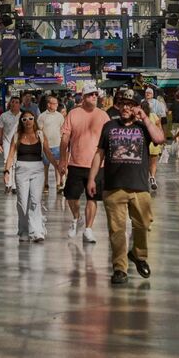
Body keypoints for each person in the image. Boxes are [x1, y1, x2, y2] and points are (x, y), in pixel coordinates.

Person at [88, 88, 165, 285]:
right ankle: (119, 269)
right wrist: (91, 178)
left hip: (139, 186)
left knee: (143, 224)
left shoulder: (143, 127)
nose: (125, 108)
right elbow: (99, 153)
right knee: (117, 230)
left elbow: (159, 139)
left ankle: (138, 255)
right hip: (114, 186)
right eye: (122, 104)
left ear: (137, 107)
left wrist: (144, 117)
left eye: (130, 105)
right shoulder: (109, 126)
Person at [59, 80, 110, 243]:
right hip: (76, 163)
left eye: (95, 94)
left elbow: (109, 139)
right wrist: (62, 160)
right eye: (90, 94)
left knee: (92, 198)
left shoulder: (103, 115)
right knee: (71, 196)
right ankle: (77, 218)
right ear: (83, 97)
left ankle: (88, 229)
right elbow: (65, 139)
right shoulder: (73, 114)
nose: (94, 97)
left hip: (97, 164)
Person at [5, 112, 59, 241]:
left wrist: (57, 166)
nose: (28, 121)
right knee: (22, 202)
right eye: (24, 119)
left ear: (34, 120)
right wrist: (6, 172)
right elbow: (11, 155)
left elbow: (48, 153)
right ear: (21, 122)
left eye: (30, 118)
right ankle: (24, 230)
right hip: (21, 170)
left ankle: (37, 231)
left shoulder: (40, 134)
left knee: (35, 201)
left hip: (37, 170)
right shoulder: (17, 136)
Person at [38, 95, 64, 192]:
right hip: (46, 146)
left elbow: (62, 129)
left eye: (57, 103)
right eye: (55, 103)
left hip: (57, 144)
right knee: (46, 166)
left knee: (57, 164)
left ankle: (58, 184)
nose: (57, 105)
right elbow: (39, 130)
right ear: (49, 104)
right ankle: (46, 184)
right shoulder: (42, 116)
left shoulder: (59, 116)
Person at [0, 96, 22, 192]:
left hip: (19, 142)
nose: (14, 104)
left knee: (16, 162)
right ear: (10, 103)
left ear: (20, 104)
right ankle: (8, 184)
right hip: (7, 142)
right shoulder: (4, 116)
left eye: (17, 102)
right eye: (13, 102)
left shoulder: (22, 116)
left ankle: (15, 185)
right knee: (7, 161)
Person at [141, 99, 163, 192]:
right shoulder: (154, 116)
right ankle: (152, 177)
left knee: (144, 163)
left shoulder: (139, 117)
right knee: (153, 163)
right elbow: (159, 129)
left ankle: (144, 180)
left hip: (143, 144)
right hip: (154, 144)